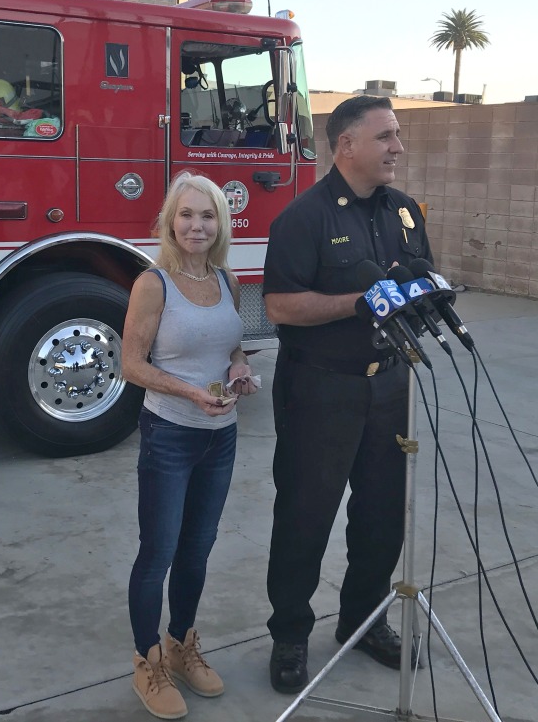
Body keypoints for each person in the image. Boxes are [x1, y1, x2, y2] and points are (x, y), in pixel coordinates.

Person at [263, 95, 434, 694]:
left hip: (391, 384)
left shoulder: (406, 211)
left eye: (397, 136)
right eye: (385, 136)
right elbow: (280, 306)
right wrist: (357, 302)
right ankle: (289, 635)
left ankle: (364, 623)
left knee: (383, 516)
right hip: (320, 390)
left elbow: (419, 278)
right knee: (306, 516)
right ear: (346, 146)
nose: (397, 147)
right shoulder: (303, 218)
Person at [123, 172, 257, 719]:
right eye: (186, 215)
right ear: (169, 222)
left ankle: (180, 644)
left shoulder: (228, 280)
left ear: (220, 223)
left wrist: (239, 367)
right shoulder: (153, 283)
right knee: (158, 553)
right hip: (170, 435)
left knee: (197, 551)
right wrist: (190, 392)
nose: (196, 226)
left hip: (219, 438)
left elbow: (234, 345)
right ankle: (146, 660)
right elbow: (131, 364)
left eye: (207, 216)